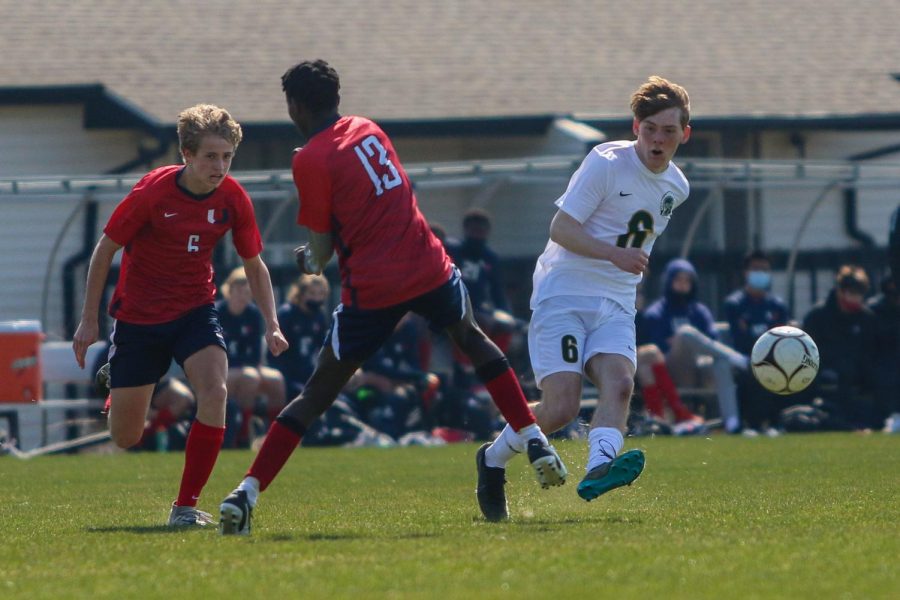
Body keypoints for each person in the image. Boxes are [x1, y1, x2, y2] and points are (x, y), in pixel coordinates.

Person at [218, 59, 564, 535]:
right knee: (472, 337)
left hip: (374, 287)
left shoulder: (310, 158)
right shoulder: (369, 129)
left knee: (317, 392)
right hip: (426, 264)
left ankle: (247, 492)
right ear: (337, 97)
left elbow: (321, 250)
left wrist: (306, 261)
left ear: (294, 105)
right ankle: (533, 436)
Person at [477, 76, 692, 520]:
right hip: (564, 293)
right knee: (562, 406)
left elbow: (637, 246)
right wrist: (615, 254)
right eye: (650, 128)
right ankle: (493, 458)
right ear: (636, 127)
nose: (657, 140)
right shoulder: (606, 163)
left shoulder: (678, 187)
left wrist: (624, 270)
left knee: (621, 384)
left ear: (684, 135)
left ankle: (598, 469)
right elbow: (561, 229)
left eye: (668, 131)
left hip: (614, 300)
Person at [72, 104, 289, 527]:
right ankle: (118, 384)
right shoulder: (152, 192)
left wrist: (273, 322)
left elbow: (254, 264)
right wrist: (89, 320)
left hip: (195, 310)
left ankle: (184, 506)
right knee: (126, 436)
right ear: (186, 155)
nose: (220, 166)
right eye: (211, 156)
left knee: (216, 390)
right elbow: (104, 250)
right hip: (138, 318)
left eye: (227, 157)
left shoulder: (233, 199)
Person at [641, 258, 748, 434]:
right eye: (678, 280)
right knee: (685, 333)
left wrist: (690, 343)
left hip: (700, 366)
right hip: (672, 367)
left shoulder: (699, 310)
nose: (683, 285)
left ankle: (732, 422)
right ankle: (738, 359)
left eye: (687, 280)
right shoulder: (657, 311)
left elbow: (712, 341)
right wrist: (684, 341)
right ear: (669, 281)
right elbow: (659, 347)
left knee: (720, 362)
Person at [802, 265, 879, 429]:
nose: (855, 298)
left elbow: (870, 355)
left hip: (855, 386)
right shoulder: (818, 316)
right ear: (840, 291)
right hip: (823, 382)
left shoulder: (866, 319)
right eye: (851, 293)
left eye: (859, 294)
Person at [217, 266, 287, 447]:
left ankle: (275, 436)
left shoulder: (253, 314)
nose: (243, 296)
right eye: (238, 290)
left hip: (248, 367)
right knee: (249, 377)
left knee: (277, 380)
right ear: (229, 290)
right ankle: (244, 433)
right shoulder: (217, 313)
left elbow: (256, 353)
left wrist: (248, 365)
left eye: (247, 292)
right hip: (223, 371)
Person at [723, 250, 791, 434]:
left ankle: (777, 423)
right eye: (755, 269)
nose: (760, 273)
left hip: (775, 358)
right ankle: (752, 424)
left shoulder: (777, 305)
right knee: (754, 371)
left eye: (764, 269)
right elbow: (740, 338)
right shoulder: (735, 304)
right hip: (744, 358)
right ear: (746, 272)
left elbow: (782, 339)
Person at [268, 274, 331, 398]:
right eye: (312, 293)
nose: (316, 298)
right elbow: (274, 354)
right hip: (287, 374)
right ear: (301, 293)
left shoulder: (319, 316)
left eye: (320, 294)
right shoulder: (287, 314)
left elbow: (323, 347)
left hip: (308, 372)